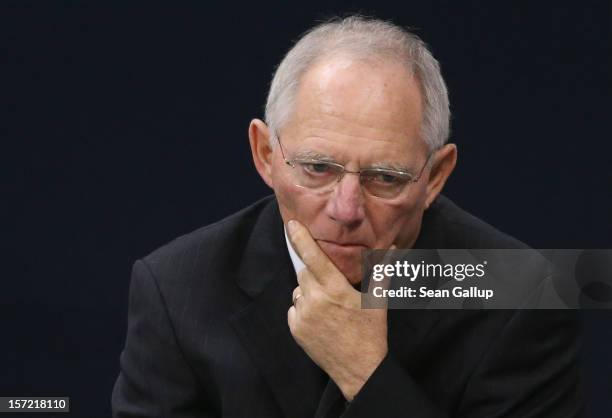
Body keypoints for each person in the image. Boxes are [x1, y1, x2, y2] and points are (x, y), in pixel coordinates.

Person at [112, 16, 582, 417]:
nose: (346, 209)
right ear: (265, 154)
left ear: (435, 177)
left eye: (386, 178)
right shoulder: (176, 288)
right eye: (318, 168)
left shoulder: (524, 295)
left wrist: (365, 372)